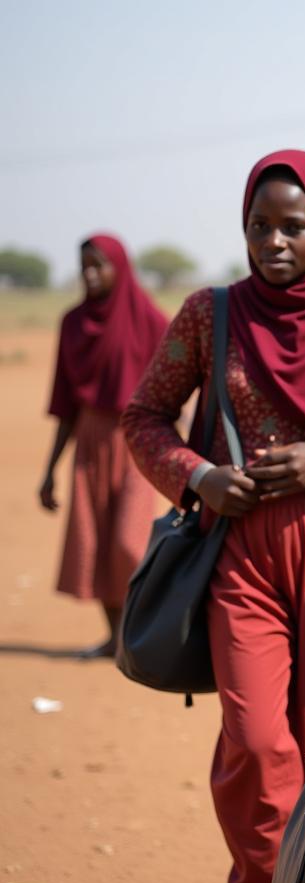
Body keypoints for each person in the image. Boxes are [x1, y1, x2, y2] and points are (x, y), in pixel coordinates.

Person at [122, 150, 305, 883]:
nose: (274, 241)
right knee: (255, 740)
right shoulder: (212, 315)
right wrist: (198, 476)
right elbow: (143, 415)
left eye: (293, 226)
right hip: (237, 555)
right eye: (259, 225)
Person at [39, 234, 167, 658]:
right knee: (91, 542)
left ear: (120, 267)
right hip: (90, 443)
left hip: (137, 438)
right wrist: (50, 470)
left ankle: (137, 636)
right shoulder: (73, 322)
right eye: (84, 267)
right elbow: (65, 403)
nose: (91, 274)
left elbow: (176, 382)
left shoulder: (147, 318)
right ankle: (115, 639)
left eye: (99, 265)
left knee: (130, 544)